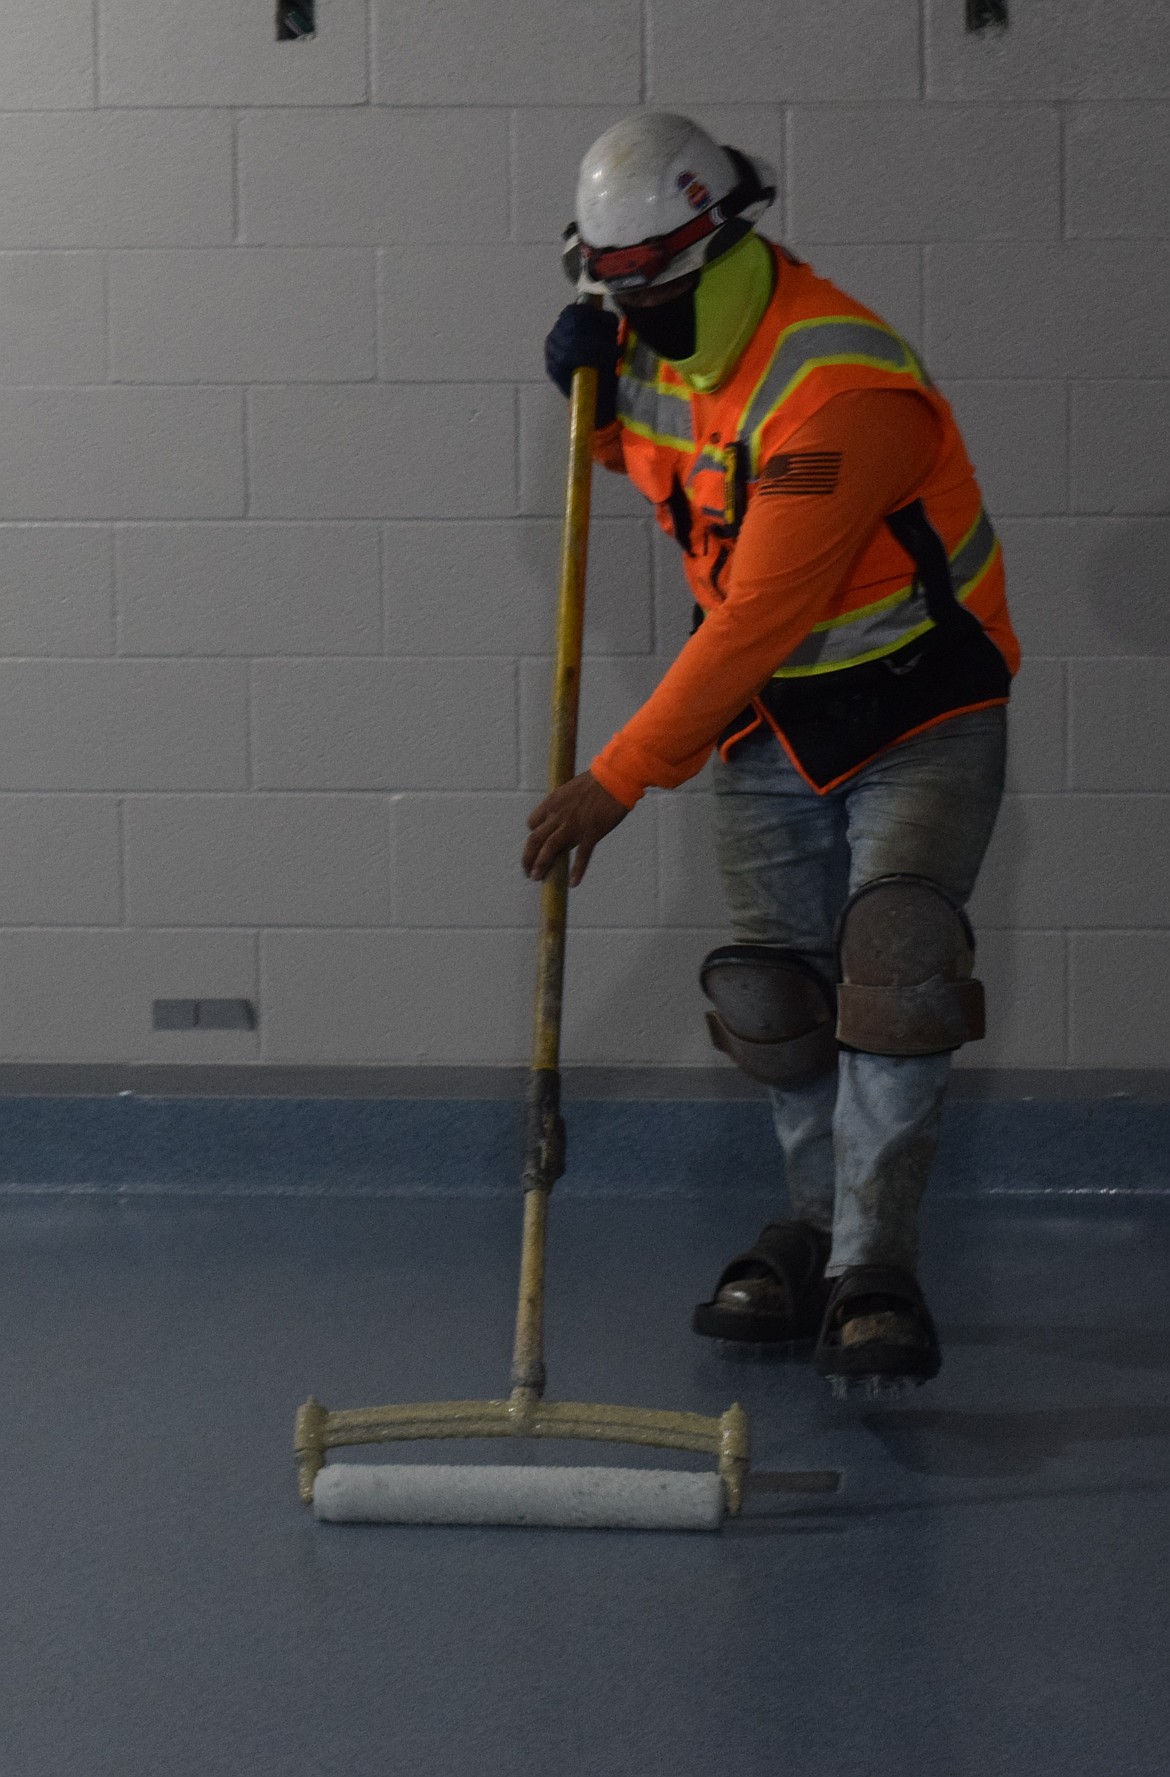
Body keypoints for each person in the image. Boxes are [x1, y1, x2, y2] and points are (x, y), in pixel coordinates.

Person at [524, 113, 1018, 1392]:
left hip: (915, 702)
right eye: (610, 288)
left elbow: (758, 610)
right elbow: (689, 474)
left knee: (896, 960)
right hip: (774, 719)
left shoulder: (839, 384)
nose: (632, 311)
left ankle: (877, 1265)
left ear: (714, 243)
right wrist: (596, 412)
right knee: (775, 996)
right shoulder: (668, 350)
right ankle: (811, 1228)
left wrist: (616, 777)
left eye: (647, 288)